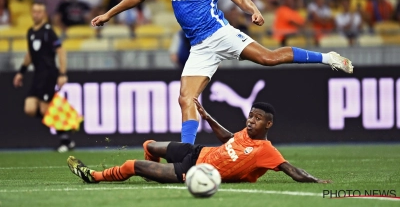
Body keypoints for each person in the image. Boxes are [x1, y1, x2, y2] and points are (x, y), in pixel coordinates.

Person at [90, 0, 354, 145]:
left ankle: (327, 57)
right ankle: (186, 153)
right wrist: (108, 14)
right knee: (186, 99)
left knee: (268, 58)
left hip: (221, 34)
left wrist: (253, 10)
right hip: (199, 48)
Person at [67, 98, 331, 184]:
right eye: (251, 116)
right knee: (149, 145)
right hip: (195, 152)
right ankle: (153, 176)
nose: (251, 120)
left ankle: (94, 176)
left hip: (192, 171)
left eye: (257, 118)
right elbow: (228, 137)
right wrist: (206, 116)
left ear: (268, 124)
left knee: (131, 165)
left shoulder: (266, 150)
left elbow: (291, 170)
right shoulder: (245, 134)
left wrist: (315, 180)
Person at [13, 2, 73, 153]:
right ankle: (64, 131)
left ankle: (65, 139)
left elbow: (61, 51)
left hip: (49, 74)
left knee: (45, 108)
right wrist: (21, 71)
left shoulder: (48, 31)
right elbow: (30, 54)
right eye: (34, 11)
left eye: (39, 12)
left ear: (44, 14)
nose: (36, 14)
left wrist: (62, 73)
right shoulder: (30, 32)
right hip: (37, 75)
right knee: (30, 108)